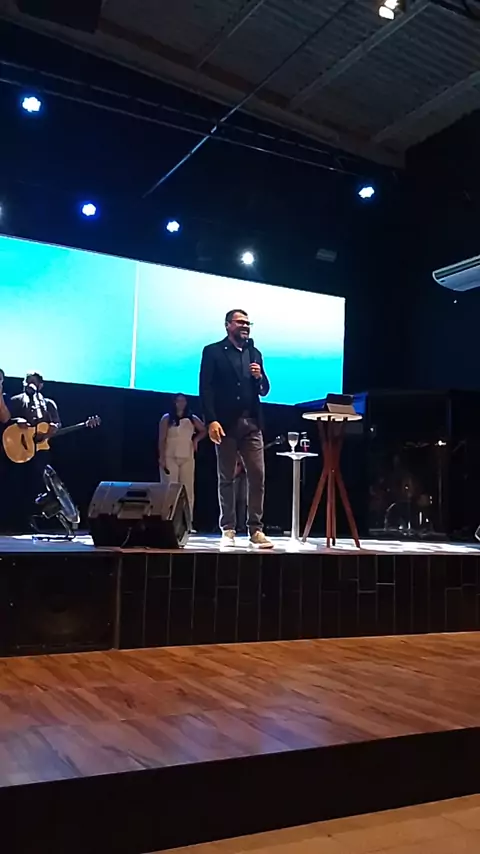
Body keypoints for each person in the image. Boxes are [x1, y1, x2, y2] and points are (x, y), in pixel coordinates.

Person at [199, 309, 273, 549]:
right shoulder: (213, 351)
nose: (245, 326)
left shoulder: (255, 353)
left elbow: (264, 390)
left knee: (257, 476)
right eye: (240, 322)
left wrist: (259, 377)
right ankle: (228, 529)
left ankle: (256, 529)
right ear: (228, 325)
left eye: (248, 323)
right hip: (226, 424)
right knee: (227, 477)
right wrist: (211, 420)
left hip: (252, 423)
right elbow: (206, 388)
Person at [7, 371, 62, 531]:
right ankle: (14, 521)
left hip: (40, 452)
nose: (29, 384)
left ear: (41, 385)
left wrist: (54, 427)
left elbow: (57, 423)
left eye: (33, 382)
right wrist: (17, 420)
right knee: (16, 483)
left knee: (37, 485)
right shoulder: (16, 400)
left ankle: (34, 521)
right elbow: (5, 420)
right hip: (18, 449)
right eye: (27, 381)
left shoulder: (48, 404)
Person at [158, 393, 206, 520]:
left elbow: (204, 430)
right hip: (170, 456)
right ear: (174, 402)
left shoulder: (192, 418)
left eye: (183, 401)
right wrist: (161, 457)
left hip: (187, 456)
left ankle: (188, 520)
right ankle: (168, 518)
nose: (181, 403)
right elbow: (162, 439)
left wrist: (196, 440)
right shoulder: (167, 418)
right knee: (170, 488)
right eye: (178, 401)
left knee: (188, 489)